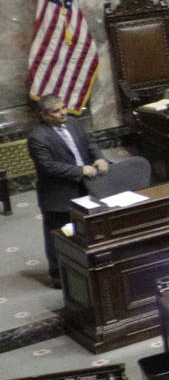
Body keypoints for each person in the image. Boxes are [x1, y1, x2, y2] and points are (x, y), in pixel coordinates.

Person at [28, 93, 110, 276]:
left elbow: (90, 143)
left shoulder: (73, 123)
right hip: (58, 194)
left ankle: (88, 268)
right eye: (56, 111)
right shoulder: (37, 137)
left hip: (87, 187)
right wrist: (80, 170)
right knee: (59, 235)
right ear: (44, 115)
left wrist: (99, 158)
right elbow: (48, 167)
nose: (62, 113)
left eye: (63, 108)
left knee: (88, 228)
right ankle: (58, 275)